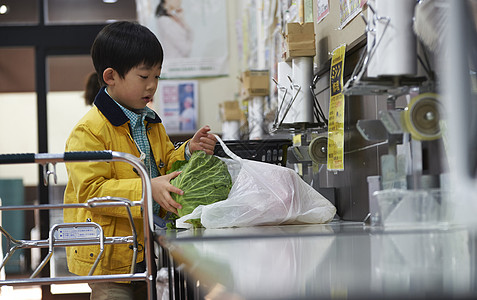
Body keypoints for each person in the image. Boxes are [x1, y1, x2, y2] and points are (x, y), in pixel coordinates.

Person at [63, 21, 217, 300]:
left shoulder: (150, 122)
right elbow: (91, 191)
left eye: (157, 76)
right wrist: (148, 188)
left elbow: (164, 162)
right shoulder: (88, 131)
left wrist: (187, 151)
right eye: (144, 76)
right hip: (106, 258)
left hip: (142, 250)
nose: (152, 85)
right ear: (111, 76)